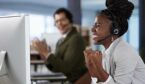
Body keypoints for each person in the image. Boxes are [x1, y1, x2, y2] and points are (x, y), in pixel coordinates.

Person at [84, 0, 145, 84]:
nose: (92, 29)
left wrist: (98, 67)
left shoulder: (124, 52)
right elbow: (99, 81)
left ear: (114, 30)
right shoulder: (106, 52)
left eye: (97, 25)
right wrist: (91, 66)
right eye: (93, 25)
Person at [33, 8, 89, 83]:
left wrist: (47, 53)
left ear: (70, 21)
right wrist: (45, 55)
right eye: (57, 21)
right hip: (64, 79)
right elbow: (56, 68)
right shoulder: (60, 41)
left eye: (62, 20)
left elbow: (66, 68)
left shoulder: (76, 39)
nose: (59, 23)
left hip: (75, 81)